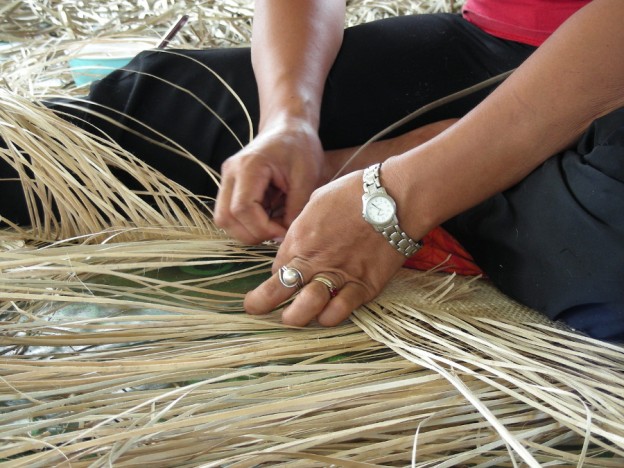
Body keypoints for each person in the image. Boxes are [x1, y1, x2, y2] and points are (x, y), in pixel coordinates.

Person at [2, 0, 623, 341]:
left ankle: (460, 179)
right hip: (488, 51)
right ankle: (485, 185)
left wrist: (398, 194)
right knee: (159, 115)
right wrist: (289, 122)